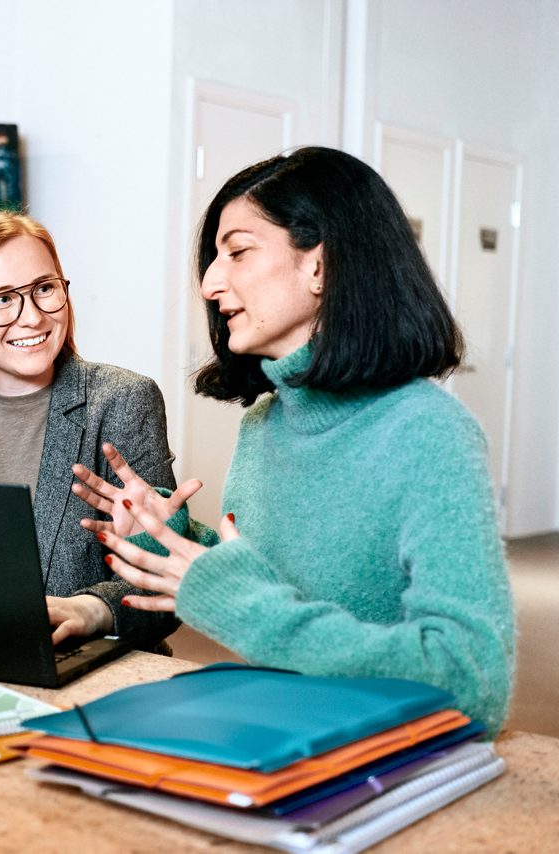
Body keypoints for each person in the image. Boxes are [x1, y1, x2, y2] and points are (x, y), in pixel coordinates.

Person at [74, 146, 516, 733]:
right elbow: (274, 582)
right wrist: (167, 535)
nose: (209, 283)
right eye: (212, 259)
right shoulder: (266, 423)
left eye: (237, 251)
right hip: (280, 728)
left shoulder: (428, 432)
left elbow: (471, 681)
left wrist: (239, 602)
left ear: (320, 266)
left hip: (371, 752)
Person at [0, 211, 192, 650]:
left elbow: (166, 586)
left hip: (90, 669)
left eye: (44, 289)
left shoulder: (124, 399)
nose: (33, 317)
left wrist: (93, 610)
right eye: (2, 299)